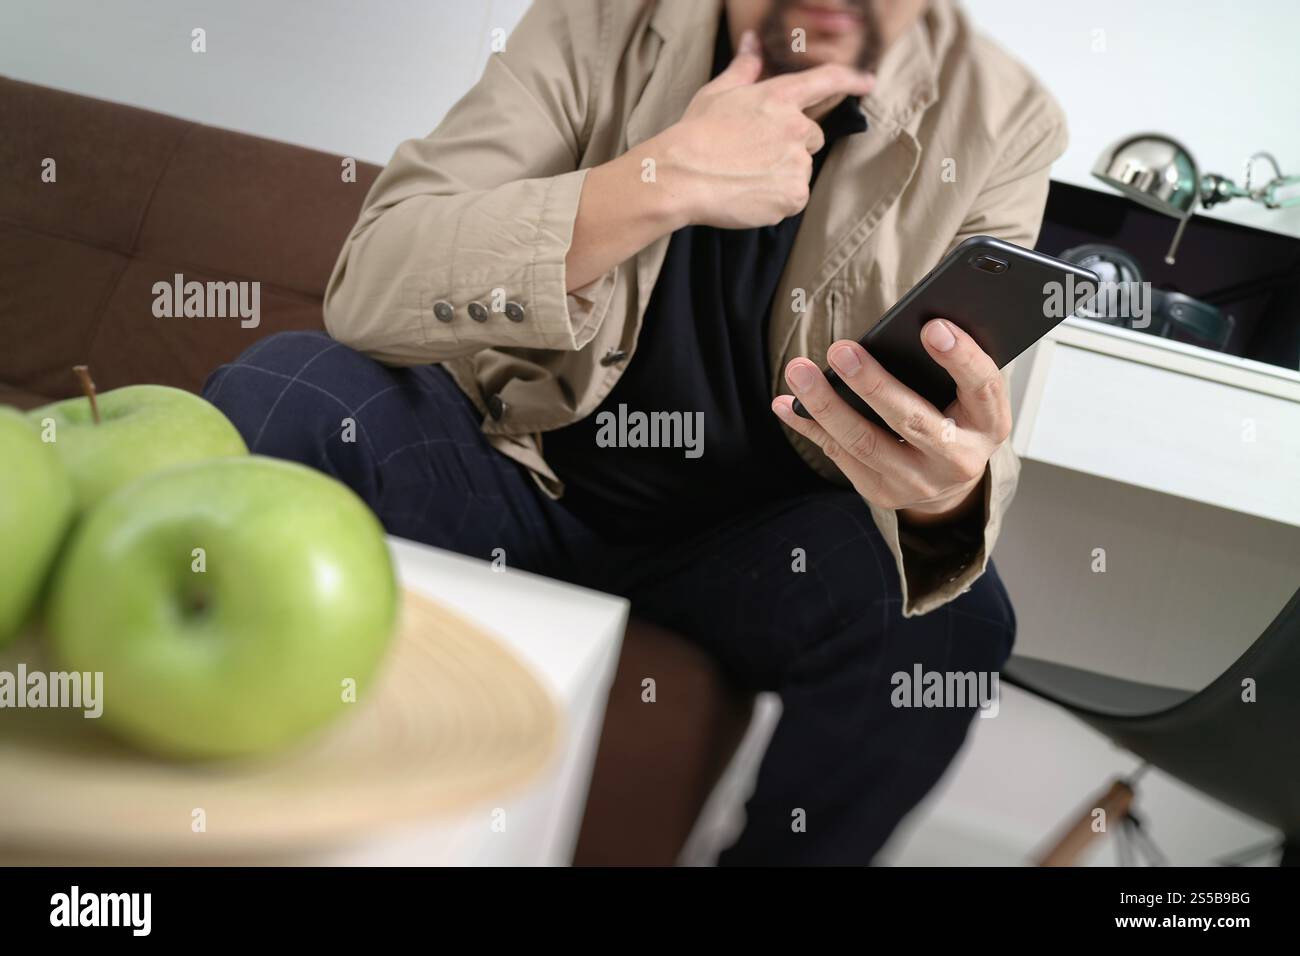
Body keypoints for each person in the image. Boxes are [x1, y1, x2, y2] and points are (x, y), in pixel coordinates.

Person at [204, 0, 1066, 864]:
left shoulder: (1005, 115)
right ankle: (202, 812)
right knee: (287, 390)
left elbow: (969, 427)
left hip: (748, 556)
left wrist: (945, 491)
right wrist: (659, 179)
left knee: (953, 620)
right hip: (516, 467)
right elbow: (373, 283)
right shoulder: (598, 20)